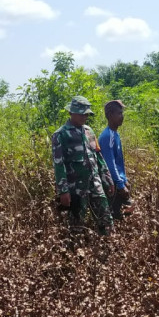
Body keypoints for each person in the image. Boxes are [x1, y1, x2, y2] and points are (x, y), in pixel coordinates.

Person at [52, 96, 115, 236]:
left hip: (95, 183)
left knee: (105, 218)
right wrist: (63, 191)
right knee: (76, 225)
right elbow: (58, 164)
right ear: (71, 113)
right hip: (75, 188)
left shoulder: (89, 131)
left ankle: (109, 247)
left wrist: (107, 179)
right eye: (81, 113)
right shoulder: (60, 134)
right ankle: (76, 253)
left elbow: (98, 156)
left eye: (86, 113)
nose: (84, 116)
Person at [98, 100, 133, 220]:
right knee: (116, 216)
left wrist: (125, 179)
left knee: (127, 212)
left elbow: (118, 162)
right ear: (110, 115)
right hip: (113, 185)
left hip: (118, 181)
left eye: (121, 113)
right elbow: (110, 164)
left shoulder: (115, 134)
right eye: (118, 113)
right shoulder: (108, 136)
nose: (121, 116)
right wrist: (120, 184)